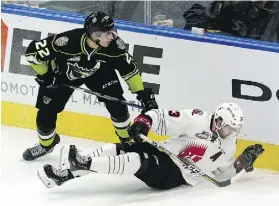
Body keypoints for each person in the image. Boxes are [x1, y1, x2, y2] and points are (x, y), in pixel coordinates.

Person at [23, 11, 158, 161]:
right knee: (45, 114)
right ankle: (46, 145)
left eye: (113, 31)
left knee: (117, 105)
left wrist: (142, 93)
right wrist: (46, 74)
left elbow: (130, 71)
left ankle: (128, 143)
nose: (112, 36)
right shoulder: (67, 41)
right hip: (63, 74)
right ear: (94, 34)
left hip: (99, 72)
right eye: (107, 33)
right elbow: (32, 53)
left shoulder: (115, 47)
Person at [37, 102, 264, 189]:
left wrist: (242, 162)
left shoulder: (230, 146)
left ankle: (83, 162)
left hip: (176, 174)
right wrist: (144, 122)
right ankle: (65, 174)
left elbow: (222, 175)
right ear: (218, 120)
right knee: (114, 149)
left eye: (234, 130)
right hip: (163, 152)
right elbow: (163, 116)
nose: (231, 133)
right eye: (228, 129)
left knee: (138, 161)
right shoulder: (196, 119)